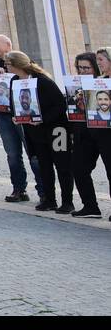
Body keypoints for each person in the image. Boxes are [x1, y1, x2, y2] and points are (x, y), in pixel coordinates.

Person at [5, 50, 73, 213]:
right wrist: (16, 116)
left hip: (57, 130)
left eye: (7, 63)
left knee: (62, 165)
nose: (5, 66)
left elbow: (60, 105)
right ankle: (49, 200)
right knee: (44, 166)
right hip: (35, 132)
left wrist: (43, 119)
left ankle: (67, 202)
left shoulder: (43, 81)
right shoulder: (15, 81)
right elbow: (15, 103)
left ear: (17, 64)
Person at [0, 34, 41, 203]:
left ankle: (44, 190)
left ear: (8, 45)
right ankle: (19, 189)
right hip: (5, 116)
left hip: (25, 115)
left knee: (34, 153)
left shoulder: (23, 61)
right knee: (12, 154)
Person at [70, 51, 109, 218]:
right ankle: (90, 206)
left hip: (106, 133)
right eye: (80, 68)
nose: (83, 71)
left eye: (87, 67)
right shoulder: (78, 85)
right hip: (85, 132)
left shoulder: (105, 82)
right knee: (79, 167)